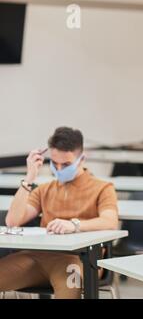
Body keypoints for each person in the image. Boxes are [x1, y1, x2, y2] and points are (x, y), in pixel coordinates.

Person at [0, 127, 119, 299]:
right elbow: (12, 221)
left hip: (78, 260)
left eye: (66, 164)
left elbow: (110, 221)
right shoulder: (44, 189)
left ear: (82, 159)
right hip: (36, 258)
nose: (59, 168)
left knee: (70, 286)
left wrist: (74, 224)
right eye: (54, 163)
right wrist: (29, 178)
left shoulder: (102, 188)